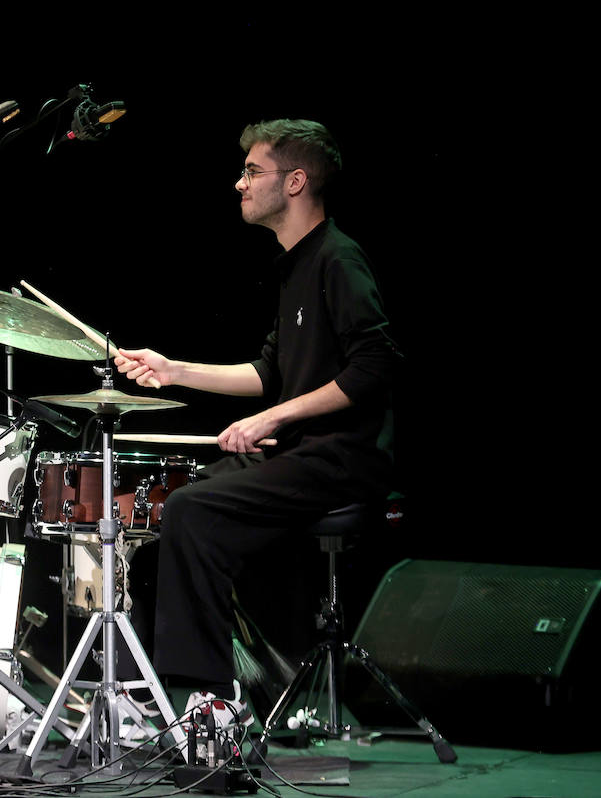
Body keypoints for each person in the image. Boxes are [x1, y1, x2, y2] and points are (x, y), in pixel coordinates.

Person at [114, 119, 398, 750]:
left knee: (192, 508)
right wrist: (172, 370)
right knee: (162, 525)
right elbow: (269, 371)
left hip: (343, 458)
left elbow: (375, 367)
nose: (238, 182)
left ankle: (209, 708)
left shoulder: (339, 259)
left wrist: (275, 418)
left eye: (252, 171)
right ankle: (165, 697)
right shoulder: (294, 267)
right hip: (302, 452)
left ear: (295, 182)